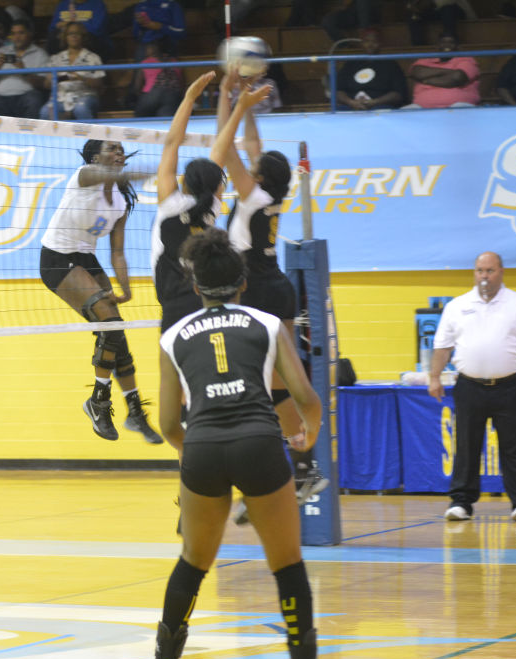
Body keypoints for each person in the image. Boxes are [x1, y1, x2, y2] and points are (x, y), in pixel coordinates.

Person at [142, 225, 337, 659]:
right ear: (242, 282)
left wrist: (194, 452)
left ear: (195, 286)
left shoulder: (172, 336)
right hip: (259, 444)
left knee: (193, 562)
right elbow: (306, 398)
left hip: (204, 446)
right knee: (287, 563)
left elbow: (168, 422)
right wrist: (306, 437)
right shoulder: (267, 324)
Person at [215, 68, 327, 519]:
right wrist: (238, 101)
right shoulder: (273, 194)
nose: (251, 163)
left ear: (260, 176)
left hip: (255, 292)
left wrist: (233, 103)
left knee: (254, 389)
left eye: (255, 165)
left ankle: (270, 477)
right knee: (275, 385)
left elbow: (222, 152)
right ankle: (301, 469)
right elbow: (248, 148)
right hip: (276, 288)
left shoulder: (254, 196)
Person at [40, 139, 162, 444]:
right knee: (109, 323)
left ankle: (134, 411)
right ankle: (98, 401)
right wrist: (152, 171)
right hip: (57, 258)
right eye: (112, 149)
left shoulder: (120, 202)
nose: (119, 153)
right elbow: (116, 175)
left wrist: (126, 288)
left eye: (121, 149)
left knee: (116, 332)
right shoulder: (84, 176)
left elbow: (117, 252)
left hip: (86, 259)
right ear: (95, 157)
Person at [429, 252, 516, 522]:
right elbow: (442, 346)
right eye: (480, 270)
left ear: (501, 271)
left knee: (514, 446)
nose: (484, 276)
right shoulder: (457, 306)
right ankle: (461, 503)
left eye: (490, 270)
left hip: (509, 387)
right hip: (469, 387)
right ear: (474, 273)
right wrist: (434, 377)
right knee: (467, 445)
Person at [152, 72, 224, 333]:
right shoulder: (212, 208)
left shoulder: (171, 204)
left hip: (174, 301)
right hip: (207, 296)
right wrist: (230, 100)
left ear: (184, 181)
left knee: (174, 367)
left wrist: (189, 97)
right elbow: (221, 149)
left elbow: (172, 144)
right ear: (218, 188)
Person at [40, 22, 104, 120]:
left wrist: (81, 78)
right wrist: (51, 80)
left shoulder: (93, 57)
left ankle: (89, 135)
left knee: (80, 109)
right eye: (70, 33)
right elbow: (46, 85)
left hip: (85, 96)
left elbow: (99, 84)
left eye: (77, 33)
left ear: (83, 37)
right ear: (65, 37)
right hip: (60, 98)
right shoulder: (56, 58)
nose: (74, 36)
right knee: (45, 112)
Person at [335, 28, 409, 111]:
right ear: (362, 43)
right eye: (366, 41)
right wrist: (351, 102)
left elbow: (398, 94)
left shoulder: (390, 64)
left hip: (380, 106)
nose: (370, 44)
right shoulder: (350, 63)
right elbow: (339, 91)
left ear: (380, 44)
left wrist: (374, 102)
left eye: (374, 42)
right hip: (351, 105)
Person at [407, 34, 481, 108]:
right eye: (443, 42)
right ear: (437, 46)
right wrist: (450, 73)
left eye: (451, 42)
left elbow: (457, 78)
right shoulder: (425, 60)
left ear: (458, 47)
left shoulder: (466, 60)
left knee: (459, 107)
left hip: (458, 105)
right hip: (421, 107)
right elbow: (418, 73)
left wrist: (426, 81)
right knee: (405, 112)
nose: (447, 45)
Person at [128, 40, 184, 118]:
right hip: (171, 95)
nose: (146, 50)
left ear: (154, 49)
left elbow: (137, 88)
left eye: (148, 47)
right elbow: (181, 86)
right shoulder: (175, 61)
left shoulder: (146, 62)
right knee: (164, 121)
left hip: (151, 94)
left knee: (141, 117)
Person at [408, 0, 476, 46]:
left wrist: (427, 4)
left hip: (456, 9)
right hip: (435, 10)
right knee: (414, 16)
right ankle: (418, 46)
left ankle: (449, 40)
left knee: (447, 9)